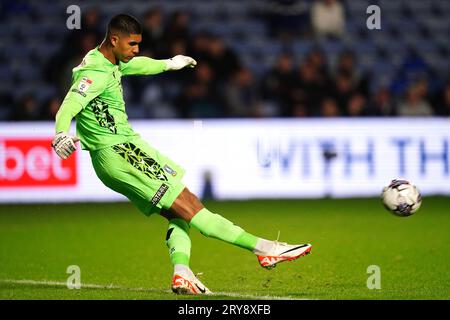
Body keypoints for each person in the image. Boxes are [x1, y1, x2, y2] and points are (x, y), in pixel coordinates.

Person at [51, 14, 312, 295]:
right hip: (122, 152)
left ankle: (182, 273)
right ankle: (265, 249)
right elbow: (70, 103)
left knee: (178, 214)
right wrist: (61, 132)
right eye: (132, 44)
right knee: (190, 205)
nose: (136, 49)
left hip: (117, 156)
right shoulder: (95, 73)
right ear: (114, 40)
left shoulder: (107, 60)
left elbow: (136, 65)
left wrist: (168, 64)